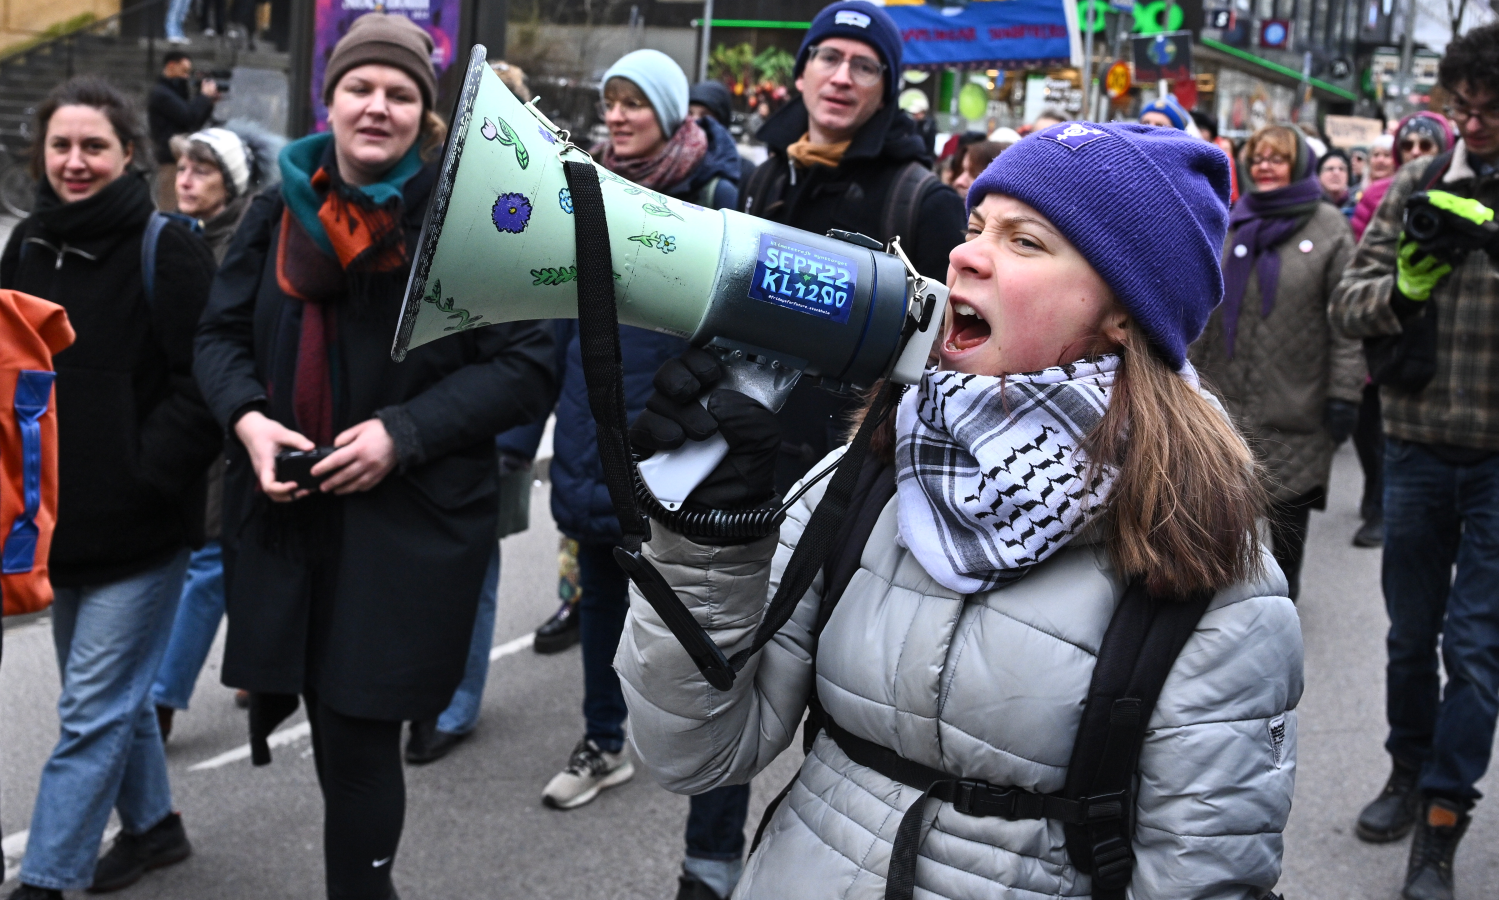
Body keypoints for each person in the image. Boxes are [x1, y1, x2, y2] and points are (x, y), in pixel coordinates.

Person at [618, 121, 1301, 900]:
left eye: (1026, 242)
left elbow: (1203, 876)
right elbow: (693, 753)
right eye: (976, 228)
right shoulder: (868, 474)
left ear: (1124, 313)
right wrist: (706, 546)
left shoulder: (1212, 567)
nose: (965, 254)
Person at [191, 16, 558, 899]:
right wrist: (246, 418)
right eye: (361, 87)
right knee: (324, 718)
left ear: (423, 113)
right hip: (290, 516)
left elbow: (529, 361)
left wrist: (407, 432)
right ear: (331, 95)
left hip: (404, 522)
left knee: (359, 736)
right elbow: (218, 334)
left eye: (400, 93)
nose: (377, 107)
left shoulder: (471, 215)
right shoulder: (279, 206)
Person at [1331, 24, 1499, 900]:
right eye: (1461, 107)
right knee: (1411, 640)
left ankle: (1442, 823)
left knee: (1475, 649)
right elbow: (1350, 305)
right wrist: (1405, 286)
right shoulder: (1417, 177)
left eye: (1493, 110)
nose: (1472, 124)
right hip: (1414, 445)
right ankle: (1407, 773)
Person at [526, 49, 751, 900]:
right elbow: (553, 317)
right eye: (608, 101)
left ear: (667, 111)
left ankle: (705, 786)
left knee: (690, 621)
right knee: (599, 604)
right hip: (593, 435)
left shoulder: (718, 197)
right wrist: (525, 434)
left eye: (633, 103)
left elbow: (737, 345)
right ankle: (602, 739)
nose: (616, 116)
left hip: (679, 452)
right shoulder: (581, 190)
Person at [0, 76, 219, 900]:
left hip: (141, 530)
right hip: (54, 530)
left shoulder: (169, 247)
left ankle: (48, 879)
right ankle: (156, 830)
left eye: (94, 146)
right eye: (61, 145)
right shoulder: (27, 248)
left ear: (129, 154)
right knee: (106, 699)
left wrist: (143, 473)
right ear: (42, 153)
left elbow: (206, 385)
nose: (75, 161)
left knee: (90, 710)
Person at [738, 0, 966, 490]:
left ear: (886, 90)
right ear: (801, 74)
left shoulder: (924, 202)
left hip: (843, 480)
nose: (842, 77)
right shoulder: (765, 179)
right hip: (741, 450)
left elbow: (947, 363)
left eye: (864, 66)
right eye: (828, 57)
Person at [1190, 125, 1362, 602]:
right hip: (1222, 398)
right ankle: (1222, 614)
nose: (1264, 165)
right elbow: (1203, 305)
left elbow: (1345, 321)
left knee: (1285, 534)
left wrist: (1345, 394)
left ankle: (1281, 614)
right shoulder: (1231, 220)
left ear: (1300, 165)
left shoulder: (1329, 227)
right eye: (1257, 156)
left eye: (1277, 158)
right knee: (1216, 521)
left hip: (1295, 401)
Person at [152, 122, 283, 739]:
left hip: (234, 424)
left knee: (211, 559)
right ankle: (260, 664)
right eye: (181, 168)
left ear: (230, 184)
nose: (185, 180)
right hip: (189, 423)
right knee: (225, 553)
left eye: (201, 171)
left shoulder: (242, 244)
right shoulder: (178, 237)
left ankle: (161, 697)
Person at [1346, 111, 1455, 550]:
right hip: (1380, 319)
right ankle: (1377, 492)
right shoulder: (1376, 196)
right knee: (1366, 423)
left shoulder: (1458, 194)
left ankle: (1385, 506)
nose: (1413, 155)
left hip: (1431, 332)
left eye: (1424, 148)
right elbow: (1359, 260)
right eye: (1406, 147)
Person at [1351, 112, 1454, 240]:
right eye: (1407, 145)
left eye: (1425, 145)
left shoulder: (1457, 189)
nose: (1415, 152)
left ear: (1442, 149)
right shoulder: (1375, 192)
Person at [147, 51, 218, 211]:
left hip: (180, 156)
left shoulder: (176, 90)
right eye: (184, 71)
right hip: (169, 157)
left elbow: (194, 123)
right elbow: (188, 116)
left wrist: (208, 101)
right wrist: (204, 98)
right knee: (170, 205)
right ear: (171, 65)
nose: (186, 76)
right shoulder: (161, 93)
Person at [689, 79, 757, 185]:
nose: (695, 121)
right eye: (689, 113)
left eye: (705, 115)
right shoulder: (670, 165)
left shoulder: (745, 171)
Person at [1317, 147, 1355, 215]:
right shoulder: (1311, 206)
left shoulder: (1357, 206)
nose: (1336, 173)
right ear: (1319, 175)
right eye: (1330, 169)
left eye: (1341, 169)